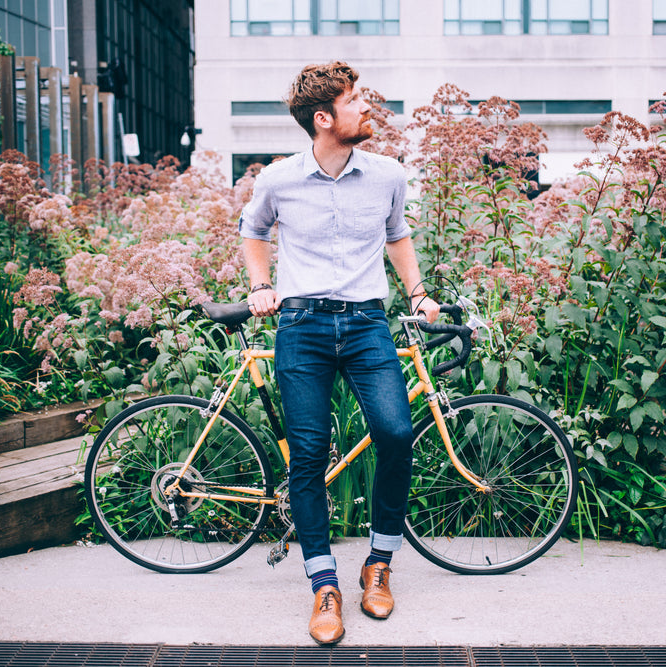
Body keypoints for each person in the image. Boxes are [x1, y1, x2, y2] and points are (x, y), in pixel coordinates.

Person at [239, 61, 439, 646]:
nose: (367, 108)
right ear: (323, 118)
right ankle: (323, 585)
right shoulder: (277, 180)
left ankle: (378, 565)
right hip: (300, 326)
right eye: (355, 101)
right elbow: (253, 232)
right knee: (307, 453)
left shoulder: (388, 175)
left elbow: (397, 235)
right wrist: (259, 286)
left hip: (366, 326)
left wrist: (419, 293)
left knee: (396, 433)